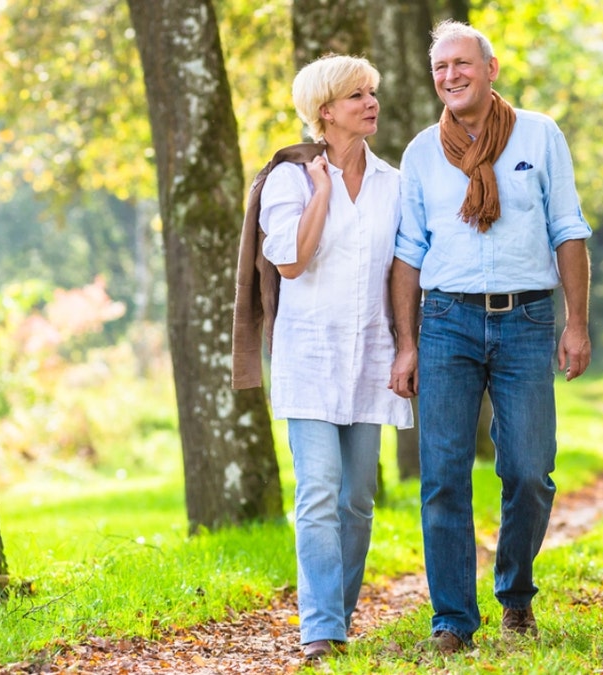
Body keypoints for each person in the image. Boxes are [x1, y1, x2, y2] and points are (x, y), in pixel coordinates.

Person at [388, 20, 593, 653]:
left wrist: (576, 323)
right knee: (443, 474)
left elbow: (568, 229)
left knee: (530, 470)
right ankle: (452, 618)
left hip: (528, 318)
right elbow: (407, 253)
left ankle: (515, 591)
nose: (450, 75)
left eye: (462, 64)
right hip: (446, 320)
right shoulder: (422, 151)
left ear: (491, 68)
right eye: (440, 67)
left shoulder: (540, 135)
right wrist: (406, 342)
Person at [255, 54, 413, 661]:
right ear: (325, 111)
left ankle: (338, 612)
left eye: (372, 92)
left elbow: (404, 271)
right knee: (318, 491)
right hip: (311, 356)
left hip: (371, 355)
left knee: (358, 500)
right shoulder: (289, 179)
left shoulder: (392, 183)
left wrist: (407, 346)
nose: (371, 103)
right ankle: (322, 628)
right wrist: (322, 191)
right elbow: (292, 260)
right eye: (356, 95)